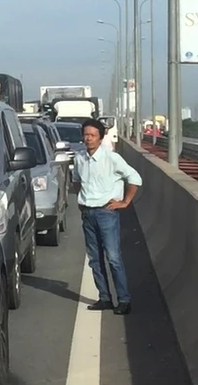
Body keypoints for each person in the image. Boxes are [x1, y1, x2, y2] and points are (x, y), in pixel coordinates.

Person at [71, 117, 143, 315]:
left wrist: (125, 202)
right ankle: (104, 298)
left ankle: (124, 300)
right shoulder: (79, 158)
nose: (88, 138)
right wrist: (81, 199)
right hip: (88, 213)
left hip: (106, 213)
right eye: (86, 135)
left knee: (113, 258)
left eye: (93, 135)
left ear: (101, 138)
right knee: (95, 259)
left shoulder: (112, 158)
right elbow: (76, 180)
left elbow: (135, 178)